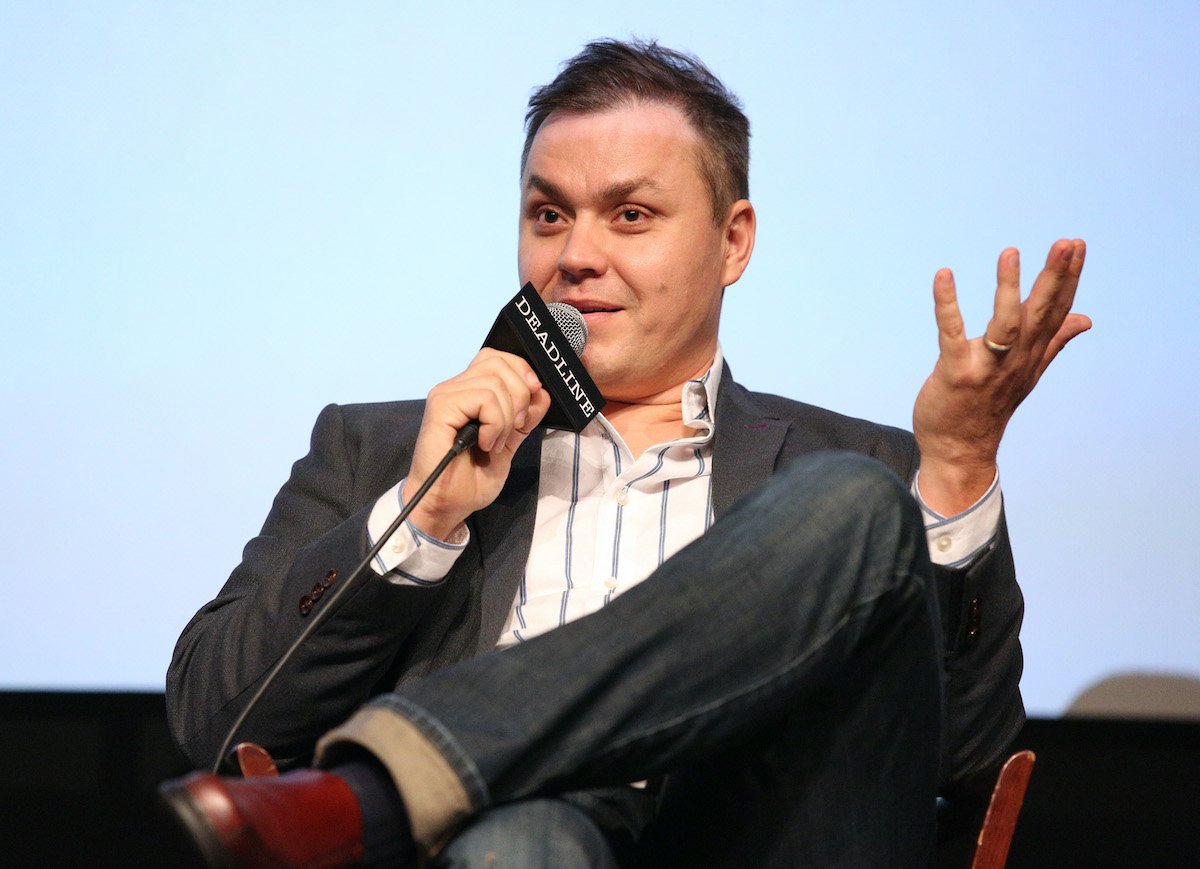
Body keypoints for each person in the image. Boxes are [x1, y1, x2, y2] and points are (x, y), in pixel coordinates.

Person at [161, 39, 1089, 867]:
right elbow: (220, 721)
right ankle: (444, 784)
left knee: (849, 500)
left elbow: (966, 768)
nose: (577, 255)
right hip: (514, 845)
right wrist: (423, 517)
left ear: (734, 241)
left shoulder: (873, 469)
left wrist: (960, 467)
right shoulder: (389, 452)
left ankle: (396, 781)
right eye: (549, 216)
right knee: (523, 836)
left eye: (631, 216)